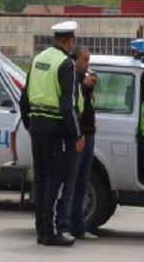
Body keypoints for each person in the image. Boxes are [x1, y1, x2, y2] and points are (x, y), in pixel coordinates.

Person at [19, 21, 83, 246]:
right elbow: (69, 105)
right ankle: (51, 232)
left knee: (41, 179)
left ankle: (41, 231)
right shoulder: (66, 64)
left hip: (37, 128)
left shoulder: (38, 60)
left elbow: (24, 98)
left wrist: (30, 125)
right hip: (56, 131)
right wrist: (77, 135)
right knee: (55, 181)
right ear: (69, 41)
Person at [59, 46, 98, 240]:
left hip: (88, 136)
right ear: (75, 60)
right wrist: (84, 84)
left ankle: (77, 225)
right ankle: (64, 225)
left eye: (88, 60)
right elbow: (72, 108)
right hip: (78, 137)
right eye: (84, 60)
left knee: (82, 183)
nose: (87, 64)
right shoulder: (73, 79)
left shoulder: (85, 81)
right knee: (71, 183)